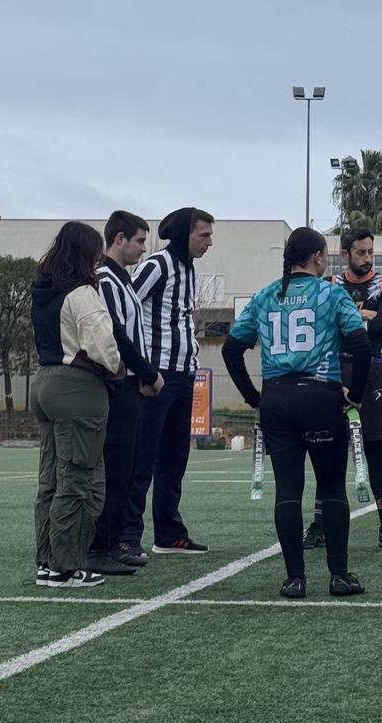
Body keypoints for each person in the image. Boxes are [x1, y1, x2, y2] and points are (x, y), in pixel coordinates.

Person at [222, 227, 371, 598]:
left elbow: (230, 350)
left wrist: (254, 397)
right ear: (318, 257)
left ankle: (294, 578)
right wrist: (355, 394)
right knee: (332, 485)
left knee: (288, 489)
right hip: (321, 397)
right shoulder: (332, 293)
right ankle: (338, 574)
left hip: (277, 398)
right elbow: (362, 346)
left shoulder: (264, 295)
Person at [302, 227, 382, 551]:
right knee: (327, 448)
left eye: (370, 252)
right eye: (361, 252)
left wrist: (351, 318)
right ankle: (318, 525)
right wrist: (363, 316)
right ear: (345, 254)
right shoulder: (330, 284)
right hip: (334, 371)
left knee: (375, 448)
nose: (367, 258)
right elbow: (327, 324)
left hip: (373, 371)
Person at [30, 222, 123, 588]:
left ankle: (46, 560)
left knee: (51, 479)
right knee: (81, 479)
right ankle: (66, 566)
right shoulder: (82, 293)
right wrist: (116, 368)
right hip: (77, 391)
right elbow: (103, 344)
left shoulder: (43, 291)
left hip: (45, 383)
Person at [128, 207, 213, 555]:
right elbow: (126, 307)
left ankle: (168, 533)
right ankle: (128, 536)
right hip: (158, 376)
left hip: (184, 374)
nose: (210, 242)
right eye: (203, 235)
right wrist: (143, 367)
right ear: (184, 234)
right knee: (143, 458)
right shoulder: (157, 265)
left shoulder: (188, 270)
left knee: (174, 458)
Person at [86, 211, 165, 576]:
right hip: (119, 384)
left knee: (128, 466)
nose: (142, 250)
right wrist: (149, 373)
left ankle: (116, 539)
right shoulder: (105, 280)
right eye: (138, 241)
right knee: (115, 468)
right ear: (119, 239)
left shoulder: (124, 280)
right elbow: (117, 335)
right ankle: (100, 544)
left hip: (131, 383)